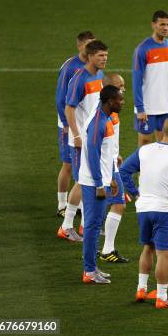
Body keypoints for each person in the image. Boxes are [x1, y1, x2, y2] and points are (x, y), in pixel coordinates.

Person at [120, 117, 168, 309]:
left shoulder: (144, 150)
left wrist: (135, 193)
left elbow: (123, 171)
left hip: (143, 208)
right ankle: (161, 297)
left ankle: (141, 289)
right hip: (164, 210)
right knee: (163, 254)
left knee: (147, 248)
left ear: (162, 131)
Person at [58, 40, 108, 242]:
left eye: (105, 55)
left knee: (86, 180)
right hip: (80, 139)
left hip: (92, 136)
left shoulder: (99, 75)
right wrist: (77, 136)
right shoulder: (79, 79)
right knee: (82, 181)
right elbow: (69, 108)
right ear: (89, 56)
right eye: (100, 56)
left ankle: (85, 225)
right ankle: (66, 225)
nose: (104, 59)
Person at [78, 85, 124, 284]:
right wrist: (99, 184)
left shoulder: (104, 118)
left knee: (95, 225)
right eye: (119, 100)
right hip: (93, 182)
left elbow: (105, 155)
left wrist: (111, 177)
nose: (122, 102)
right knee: (93, 226)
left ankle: (92, 268)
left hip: (101, 179)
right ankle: (89, 271)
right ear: (109, 102)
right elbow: (93, 155)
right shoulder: (98, 122)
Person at [132, 10, 168, 147]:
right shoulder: (142, 49)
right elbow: (136, 80)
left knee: (166, 143)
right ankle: (143, 169)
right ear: (153, 25)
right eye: (162, 24)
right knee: (145, 143)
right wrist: (140, 108)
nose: (166, 28)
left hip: (165, 107)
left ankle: (163, 169)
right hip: (147, 108)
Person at [55, 31, 95, 218]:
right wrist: (65, 123)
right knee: (69, 165)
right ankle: (62, 204)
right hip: (69, 124)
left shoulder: (92, 66)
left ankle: (76, 203)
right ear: (79, 46)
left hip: (85, 125)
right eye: (87, 45)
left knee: (82, 167)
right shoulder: (70, 67)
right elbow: (60, 98)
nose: (90, 48)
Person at [98, 73, 129, 263]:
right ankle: (105, 251)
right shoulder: (103, 115)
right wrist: (108, 169)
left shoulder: (111, 112)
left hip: (110, 163)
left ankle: (105, 249)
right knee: (116, 204)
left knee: (114, 204)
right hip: (105, 167)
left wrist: (115, 154)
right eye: (120, 87)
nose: (123, 90)